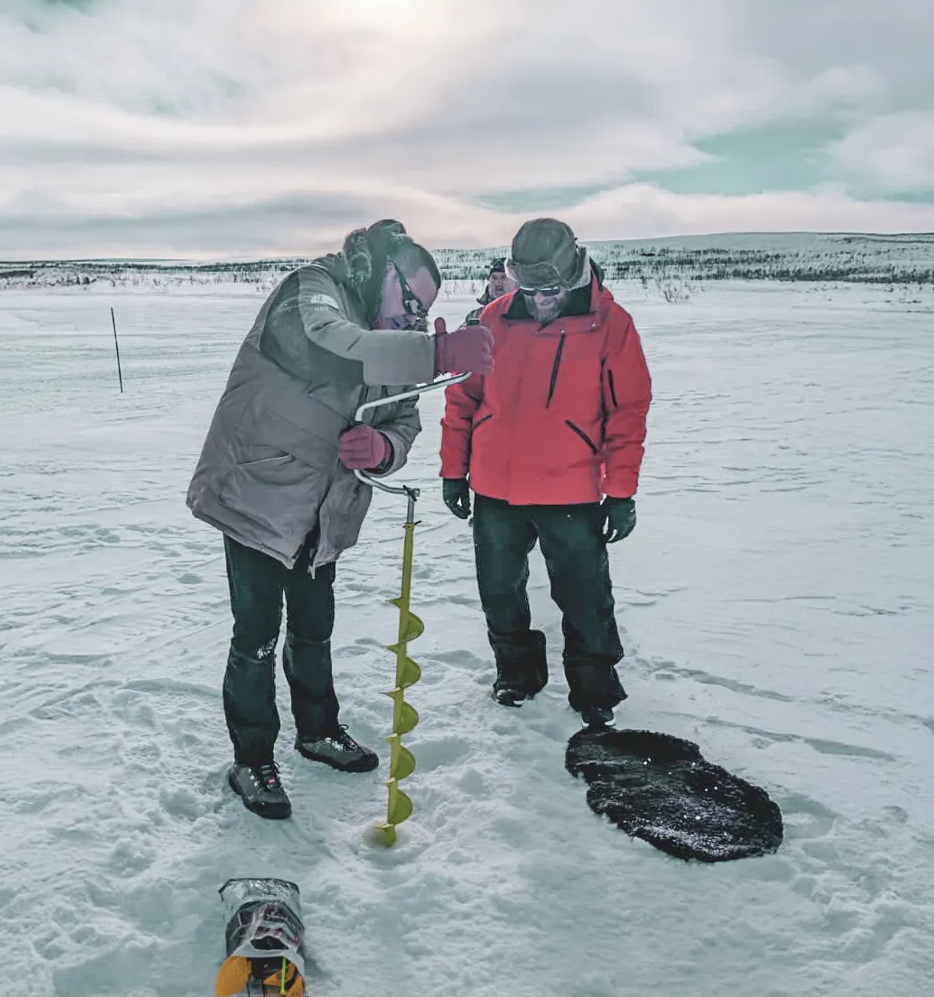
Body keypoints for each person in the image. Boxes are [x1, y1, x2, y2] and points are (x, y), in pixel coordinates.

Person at [189, 220, 495, 819]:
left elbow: (403, 420)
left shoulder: (392, 333)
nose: (409, 319)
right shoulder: (313, 289)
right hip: (259, 491)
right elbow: (326, 343)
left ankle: (317, 730)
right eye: (407, 302)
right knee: (255, 636)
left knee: (314, 627)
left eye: (422, 314)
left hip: (325, 509)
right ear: (381, 270)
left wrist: (383, 449)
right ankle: (251, 760)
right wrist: (433, 351)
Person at [438, 217, 652, 729]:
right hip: (495, 488)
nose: (539, 301)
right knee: (499, 590)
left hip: (571, 490)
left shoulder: (611, 325)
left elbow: (628, 413)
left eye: (550, 290)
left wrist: (619, 491)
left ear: (574, 270)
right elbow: (461, 398)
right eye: (529, 290)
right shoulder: (491, 319)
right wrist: (454, 470)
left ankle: (594, 688)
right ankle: (517, 674)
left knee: (584, 595)